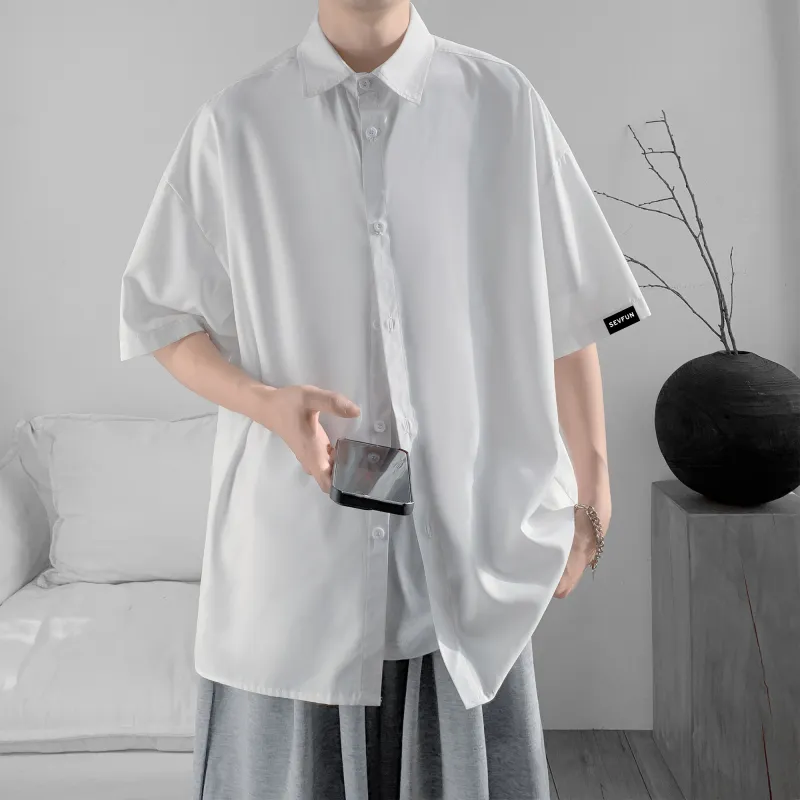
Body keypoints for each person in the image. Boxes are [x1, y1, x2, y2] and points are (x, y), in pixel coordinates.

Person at [119, 1, 652, 797]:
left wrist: (595, 496)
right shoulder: (238, 125)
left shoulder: (501, 105)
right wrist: (265, 403)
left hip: (466, 574)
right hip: (297, 582)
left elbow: (571, 310)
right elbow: (159, 316)